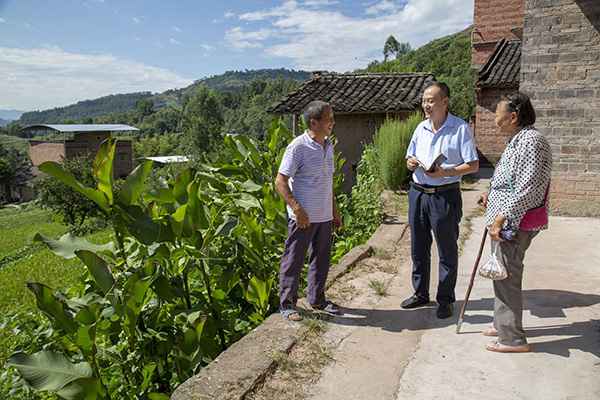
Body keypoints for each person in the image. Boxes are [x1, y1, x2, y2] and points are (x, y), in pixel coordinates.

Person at [480, 92, 552, 353]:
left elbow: (529, 188)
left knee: (507, 276)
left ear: (513, 116)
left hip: (513, 222)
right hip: (504, 220)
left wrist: (502, 216)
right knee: (500, 273)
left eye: (498, 116)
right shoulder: (517, 140)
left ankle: (512, 338)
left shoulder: (531, 141)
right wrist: (491, 194)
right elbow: (510, 179)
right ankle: (503, 323)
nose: (495, 121)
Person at [402, 82, 479, 319]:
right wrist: (411, 163)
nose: (426, 105)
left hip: (444, 194)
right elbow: (408, 157)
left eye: (431, 100)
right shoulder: (420, 128)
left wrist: (445, 171)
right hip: (418, 194)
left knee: (446, 250)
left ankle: (445, 299)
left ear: (445, 102)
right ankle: (420, 293)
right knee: (418, 247)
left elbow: (473, 164)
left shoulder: (460, 128)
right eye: (424, 100)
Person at [275, 100, 342, 321]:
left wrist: (335, 210)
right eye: (328, 119)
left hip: (323, 215)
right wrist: (297, 208)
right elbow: (280, 181)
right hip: (303, 217)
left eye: (332, 118)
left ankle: (317, 299)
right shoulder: (298, 146)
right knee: (293, 259)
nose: (332, 122)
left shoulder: (328, 145)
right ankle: (287, 305)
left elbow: (328, 181)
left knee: (321, 259)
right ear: (314, 122)